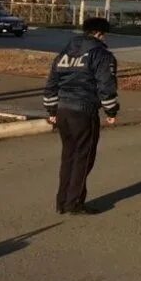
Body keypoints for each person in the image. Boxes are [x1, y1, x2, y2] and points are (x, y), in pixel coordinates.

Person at [43, 17, 119, 215]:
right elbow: (106, 85)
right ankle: (74, 203)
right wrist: (111, 111)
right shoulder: (101, 55)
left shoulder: (65, 53)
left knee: (68, 156)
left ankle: (62, 201)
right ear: (100, 34)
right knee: (83, 158)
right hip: (84, 110)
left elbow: (51, 83)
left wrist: (51, 111)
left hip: (62, 110)